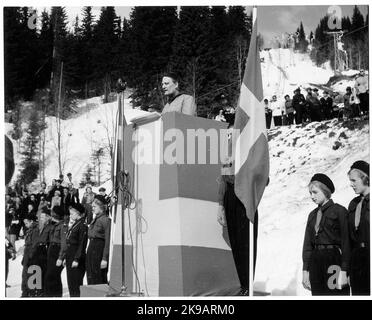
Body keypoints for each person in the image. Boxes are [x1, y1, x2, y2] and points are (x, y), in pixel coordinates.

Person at [217, 141, 259, 296]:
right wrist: (221, 205)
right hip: (230, 195)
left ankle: (249, 286)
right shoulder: (229, 147)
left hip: (245, 197)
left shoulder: (252, 143)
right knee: (235, 243)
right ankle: (243, 286)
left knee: (246, 244)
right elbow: (223, 178)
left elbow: (264, 178)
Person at [302, 174, 350, 296]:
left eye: (315, 192)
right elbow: (308, 245)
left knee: (335, 294)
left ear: (325, 191)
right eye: (310, 193)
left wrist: (344, 270)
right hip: (315, 261)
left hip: (333, 260)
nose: (312, 196)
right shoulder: (312, 215)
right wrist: (305, 270)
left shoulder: (339, 211)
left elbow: (346, 242)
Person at [347, 161, 370, 295]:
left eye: (354, 180)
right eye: (350, 181)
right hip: (356, 260)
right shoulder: (353, 204)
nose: (351, 184)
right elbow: (349, 238)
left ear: (365, 178)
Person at [86, 195, 111, 285]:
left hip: (99, 250)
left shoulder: (105, 220)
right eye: (92, 207)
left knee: (98, 278)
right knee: (90, 276)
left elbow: (107, 241)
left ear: (101, 207)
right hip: (91, 248)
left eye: (94, 207)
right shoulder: (95, 219)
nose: (92, 209)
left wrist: (104, 258)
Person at [28, 207, 53, 297]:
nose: (40, 219)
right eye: (40, 217)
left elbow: (50, 241)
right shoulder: (37, 227)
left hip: (44, 251)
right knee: (35, 271)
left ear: (48, 217)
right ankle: (35, 290)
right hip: (36, 251)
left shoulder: (50, 227)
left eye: (43, 217)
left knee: (42, 272)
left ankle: (41, 291)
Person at [65, 203, 87, 297]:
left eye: (72, 214)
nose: (70, 216)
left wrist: (76, 259)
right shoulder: (76, 224)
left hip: (76, 256)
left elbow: (82, 244)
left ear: (78, 214)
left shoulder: (82, 225)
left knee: (76, 283)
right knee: (71, 283)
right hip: (70, 255)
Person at [44, 206, 67, 297]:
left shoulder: (63, 226)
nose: (51, 215)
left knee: (53, 275)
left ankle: (55, 296)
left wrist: (61, 257)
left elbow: (64, 243)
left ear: (56, 214)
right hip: (51, 249)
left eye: (53, 213)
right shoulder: (53, 225)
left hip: (57, 251)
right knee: (50, 275)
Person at [21, 214, 37, 297]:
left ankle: (30, 293)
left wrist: (30, 257)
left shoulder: (35, 230)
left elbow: (34, 245)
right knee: (24, 275)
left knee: (30, 275)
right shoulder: (29, 230)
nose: (25, 225)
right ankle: (25, 292)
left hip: (31, 255)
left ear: (32, 221)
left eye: (27, 223)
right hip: (27, 255)